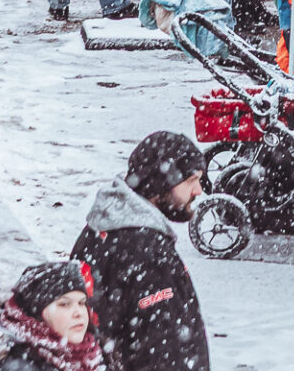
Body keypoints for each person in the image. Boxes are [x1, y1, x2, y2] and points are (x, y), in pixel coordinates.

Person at [71, 130, 210, 371]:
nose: (198, 190)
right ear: (160, 184)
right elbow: (165, 353)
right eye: (191, 181)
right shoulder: (149, 254)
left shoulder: (102, 227)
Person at [0, 261, 101, 371]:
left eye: (82, 303)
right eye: (64, 304)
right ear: (36, 315)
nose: (78, 313)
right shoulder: (12, 366)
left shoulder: (93, 352)